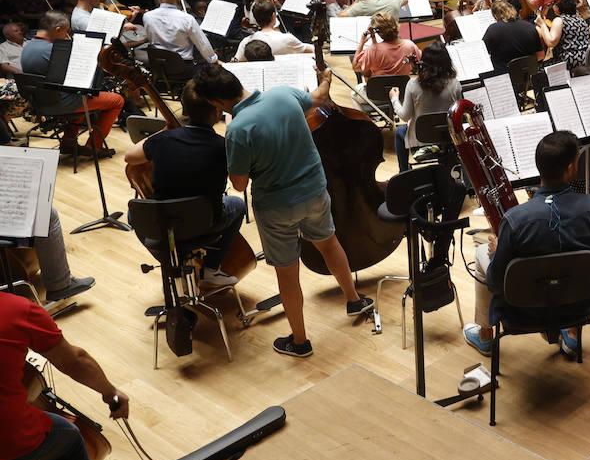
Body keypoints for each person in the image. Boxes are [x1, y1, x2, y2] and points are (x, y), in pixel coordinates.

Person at [196, 64, 374, 358]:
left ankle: (300, 342)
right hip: (315, 190)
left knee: (288, 274)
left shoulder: (237, 129)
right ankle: (354, 299)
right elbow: (318, 98)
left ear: (215, 102)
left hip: (276, 207)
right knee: (329, 245)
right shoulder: (283, 95)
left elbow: (239, 185)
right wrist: (327, 78)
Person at [463, 131, 590, 360]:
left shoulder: (515, 218)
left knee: (481, 251)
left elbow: (495, 281)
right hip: (579, 305)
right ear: (570, 168)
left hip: (523, 311)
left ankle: (486, 336)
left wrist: (500, 253)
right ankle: (571, 333)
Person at [0, 292, 130, 460]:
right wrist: (110, 392)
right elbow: (75, 362)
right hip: (7, 444)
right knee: (69, 438)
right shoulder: (16, 310)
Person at [124, 81, 246, 289]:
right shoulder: (222, 146)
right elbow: (239, 186)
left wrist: (164, 131)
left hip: (162, 225)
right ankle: (211, 270)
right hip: (204, 223)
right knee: (237, 204)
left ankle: (171, 260)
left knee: (134, 213)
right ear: (217, 110)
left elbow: (130, 157)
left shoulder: (162, 140)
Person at [20, 11, 124, 157]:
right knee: (117, 100)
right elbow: (79, 74)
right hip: (58, 103)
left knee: (78, 93)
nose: (67, 35)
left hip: (38, 103)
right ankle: (93, 146)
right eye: (66, 32)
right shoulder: (54, 50)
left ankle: (68, 143)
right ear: (58, 30)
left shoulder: (27, 46)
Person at [389, 43, 461, 172]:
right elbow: (458, 113)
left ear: (424, 63)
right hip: (448, 140)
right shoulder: (455, 84)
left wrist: (394, 98)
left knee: (400, 130)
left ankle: (404, 172)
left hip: (420, 142)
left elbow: (405, 116)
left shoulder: (412, 84)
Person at [143, 0, 219, 66]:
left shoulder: (147, 17)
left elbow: (152, 40)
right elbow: (203, 44)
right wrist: (214, 60)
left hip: (159, 67)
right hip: (183, 68)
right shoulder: (187, 19)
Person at [233, 0, 314, 61]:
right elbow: (312, 50)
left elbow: (236, 63)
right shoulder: (287, 39)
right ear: (273, 15)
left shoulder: (246, 42)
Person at [352, 11, 419, 79]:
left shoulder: (372, 50)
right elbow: (418, 61)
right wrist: (373, 38)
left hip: (379, 89)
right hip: (402, 88)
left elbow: (355, 67)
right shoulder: (410, 45)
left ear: (378, 32)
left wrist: (362, 43)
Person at [538, 0, 590, 73]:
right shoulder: (581, 20)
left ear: (557, 7)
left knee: (538, 69)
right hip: (587, 59)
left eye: (553, 4)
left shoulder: (559, 20)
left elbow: (551, 42)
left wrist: (542, 24)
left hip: (568, 62)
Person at [482, 0, 542, 72]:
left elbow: (483, 54)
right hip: (529, 75)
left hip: (504, 77)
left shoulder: (493, 29)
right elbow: (541, 55)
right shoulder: (529, 26)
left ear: (495, 16)